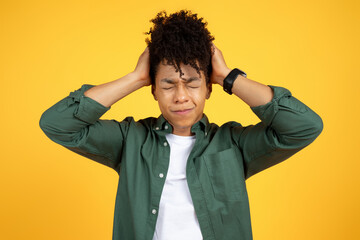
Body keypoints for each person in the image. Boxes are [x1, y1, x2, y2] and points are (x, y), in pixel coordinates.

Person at [39, 9, 323, 240]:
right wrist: (136, 77)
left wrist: (228, 77)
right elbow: (58, 123)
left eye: (192, 83)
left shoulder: (233, 144)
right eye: (168, 85)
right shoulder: (130, 140)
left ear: (209, 88)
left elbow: (304, 126)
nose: (181, 96)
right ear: (153, 90)